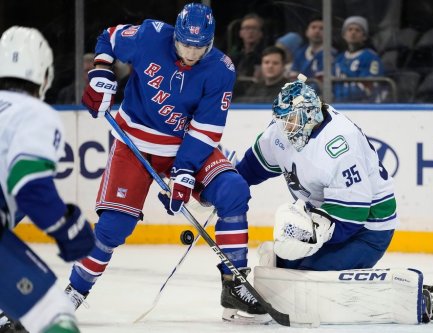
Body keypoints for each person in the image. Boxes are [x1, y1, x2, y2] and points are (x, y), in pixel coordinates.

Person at [66, 2, 267, 322]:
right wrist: (102, 69)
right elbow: (108, 37)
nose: (190, 53)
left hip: (187, 146)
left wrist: (185, 170)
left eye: (199, 47)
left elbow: (206, 129)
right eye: (185, 43)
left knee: (232, 190)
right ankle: (75, 291)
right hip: (135, 146)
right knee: (113, 228)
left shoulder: (221, 69)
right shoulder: (149, 35)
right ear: (176, 34)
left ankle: (234, 282)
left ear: (211, 42)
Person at [235, 75, 397, 272]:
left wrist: (315, 233)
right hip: (322, 215)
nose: (285, 126)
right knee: (280, 266)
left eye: (291, 119)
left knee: (307, 275)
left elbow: (353, 213)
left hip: (367, 229)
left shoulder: (340, 145)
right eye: (283, 118)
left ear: (310, 113)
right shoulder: (281, 130)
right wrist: (225, 186)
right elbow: (253, 166)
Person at [0, 26, 95, 333]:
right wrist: (67, 229)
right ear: (45, 75)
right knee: (55, 316)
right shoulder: (33, 113)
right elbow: (29, 185)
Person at [332, 16, 385, 102]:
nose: (353, 33)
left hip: (362, 106)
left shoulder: (371, 57)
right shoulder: (339, 58)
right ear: (344, 35)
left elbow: (369, 86)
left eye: (357, 30)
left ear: (364, 36)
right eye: (350, 29)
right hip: (338, 105)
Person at [228, 13, 266, 78]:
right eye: (247, 28)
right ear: (240, 33)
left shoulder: (266, 56)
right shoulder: (234, 56)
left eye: (254, 28)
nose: (250, 31)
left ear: (260, 33)